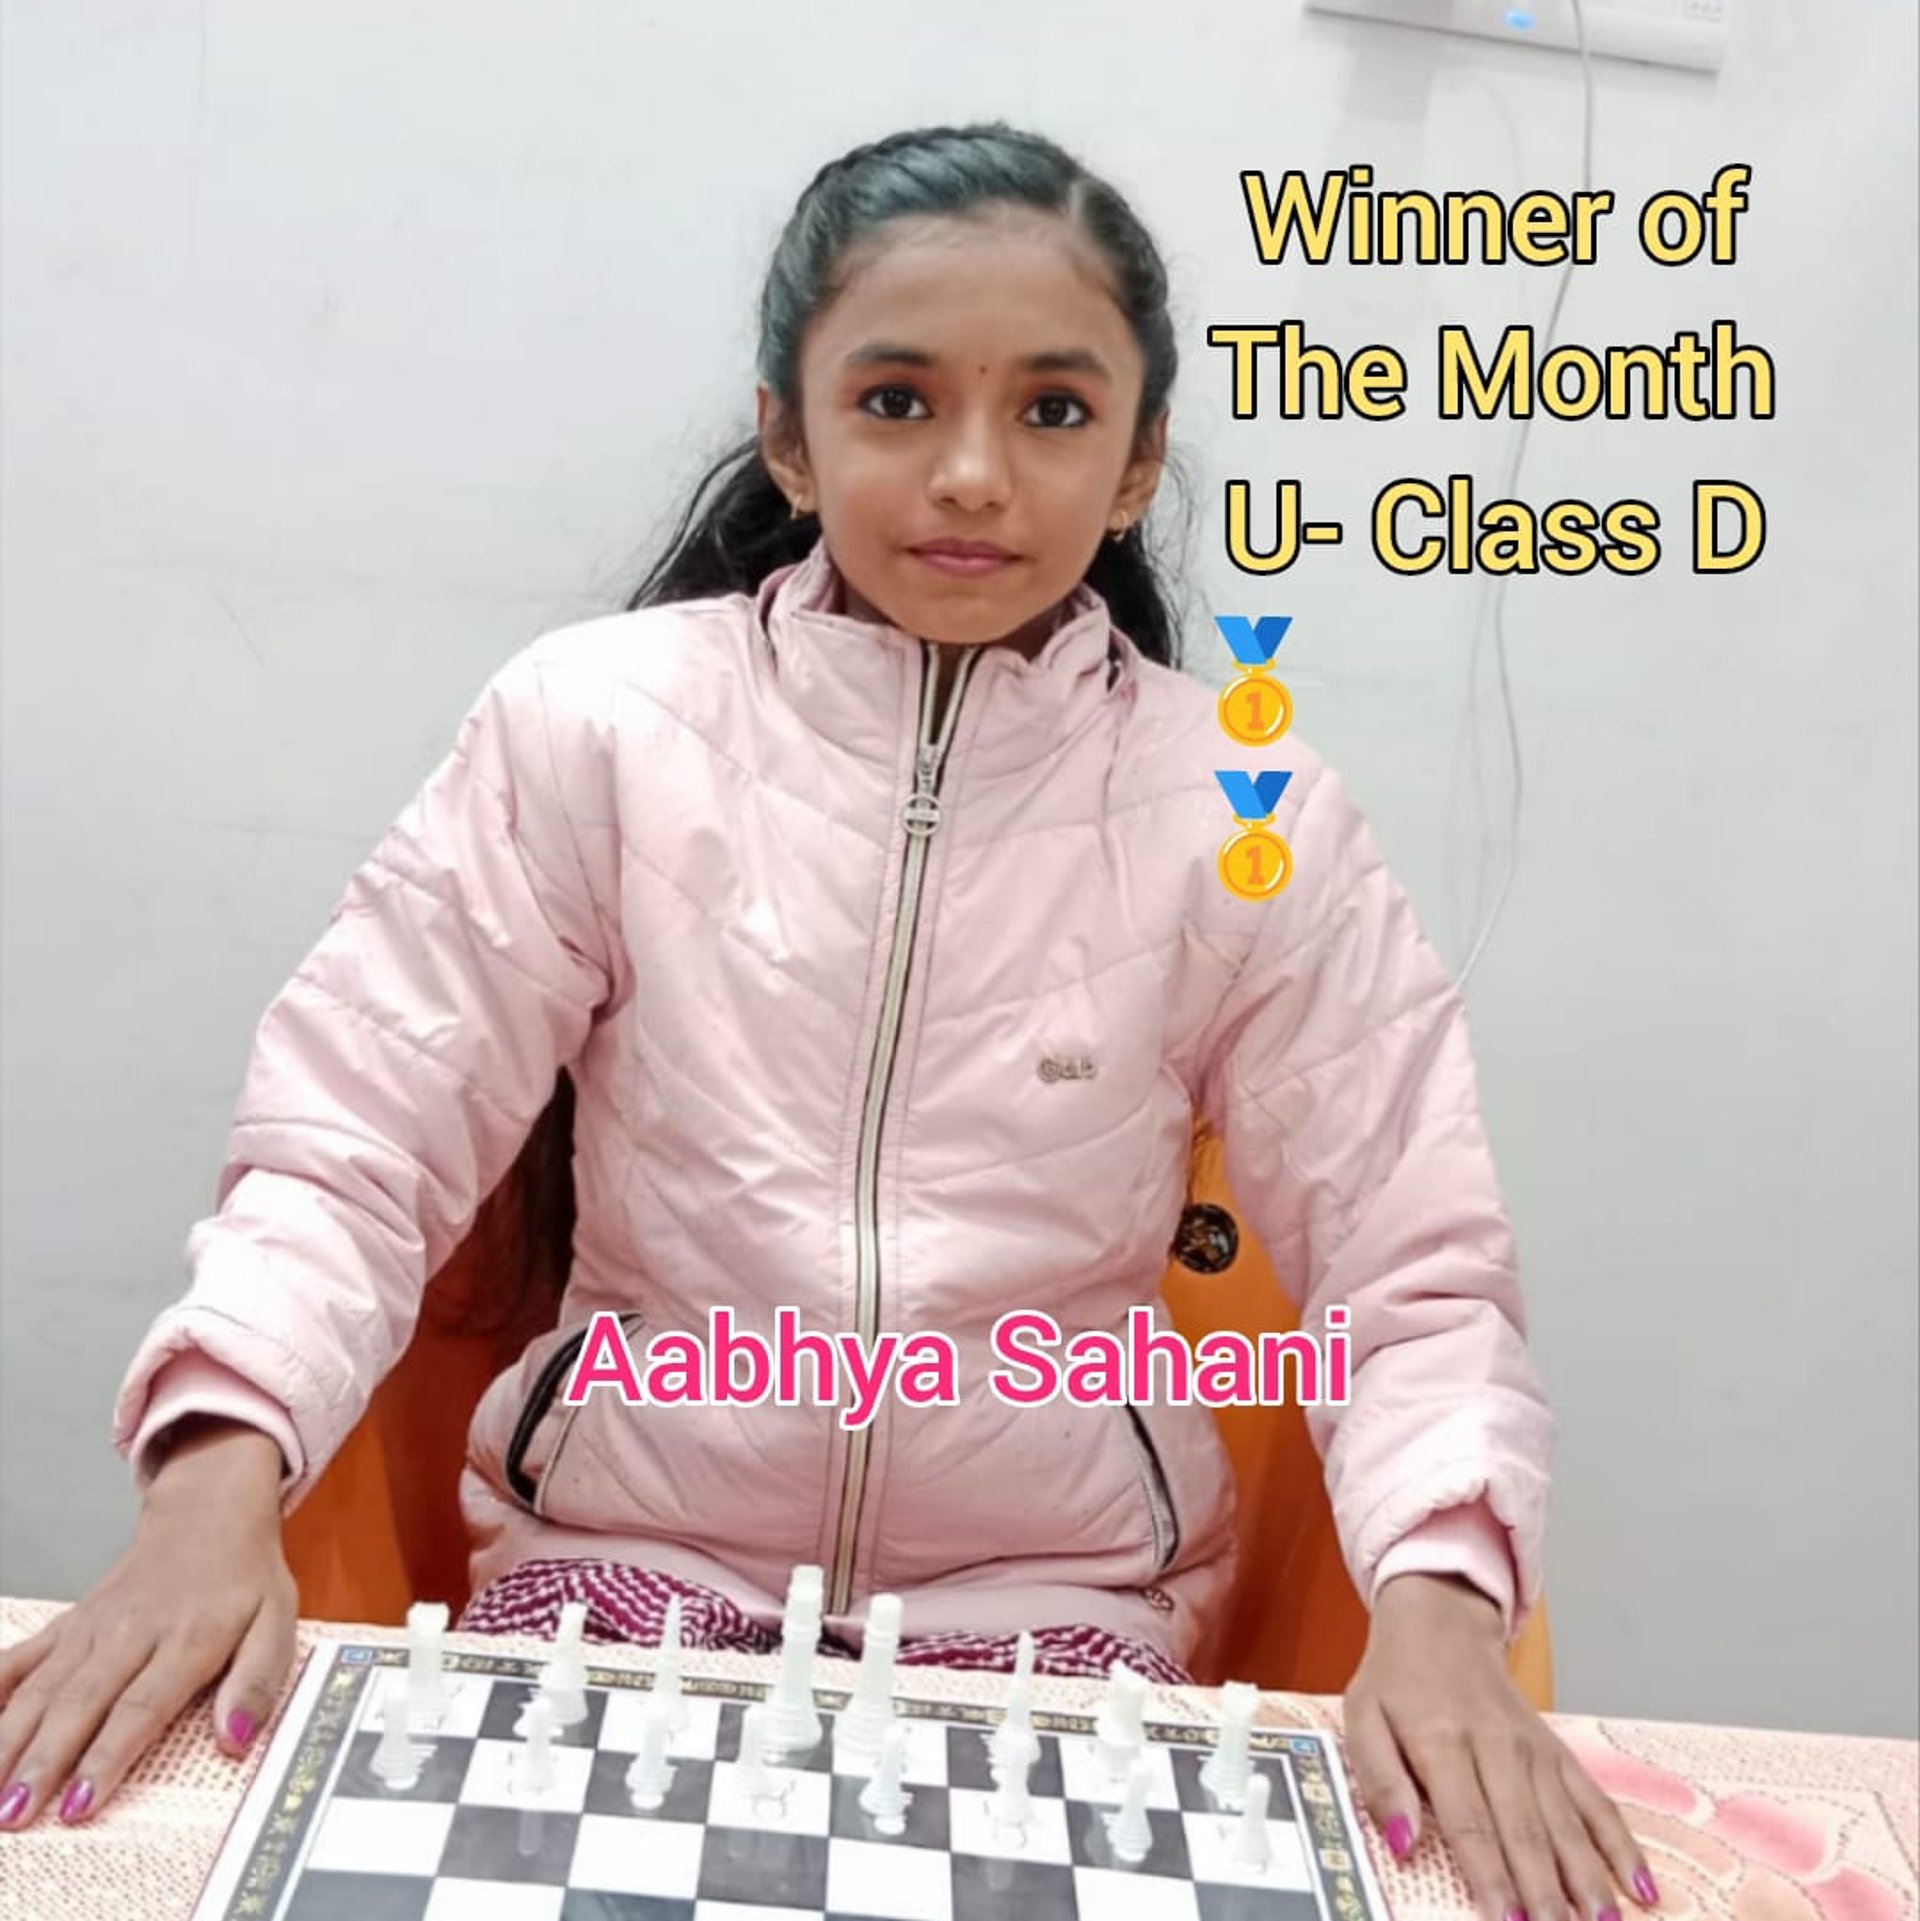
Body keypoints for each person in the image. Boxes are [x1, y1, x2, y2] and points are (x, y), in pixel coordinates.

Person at [0, 119, 1656, 1921]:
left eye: (1053, 409)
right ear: (789, 435)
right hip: (613, 1582)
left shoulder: (1251, 811)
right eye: (895, 400)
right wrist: (200, 1506)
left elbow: (1410, 1268)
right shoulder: (599, 730)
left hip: (1066, 1625)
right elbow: (352, 1140)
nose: (973, 472)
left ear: (1136, 459)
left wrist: (1441, 1616)